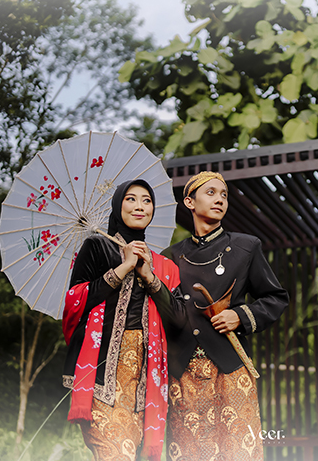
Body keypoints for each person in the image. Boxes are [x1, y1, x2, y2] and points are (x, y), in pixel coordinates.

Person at [162, 171, 289, 461]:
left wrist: (240, 316)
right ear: (190, 202)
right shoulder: (170, 257)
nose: (219, 199)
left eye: (224, 195)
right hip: (183, 374)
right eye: (210, 193)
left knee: (238, 452)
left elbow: (276, 298)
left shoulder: (246, 246)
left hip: (230, 368)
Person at [61, 179, 185, 461]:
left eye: (146, 200)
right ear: (118, 205)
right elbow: (75, 301)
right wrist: (124, 267)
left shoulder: (162, 265)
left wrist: (149, 277)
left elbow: (179, 319)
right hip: (102, 373)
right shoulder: (96, 247)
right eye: (131, 199)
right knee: (115, 453)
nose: (140, 206)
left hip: (144, 379)